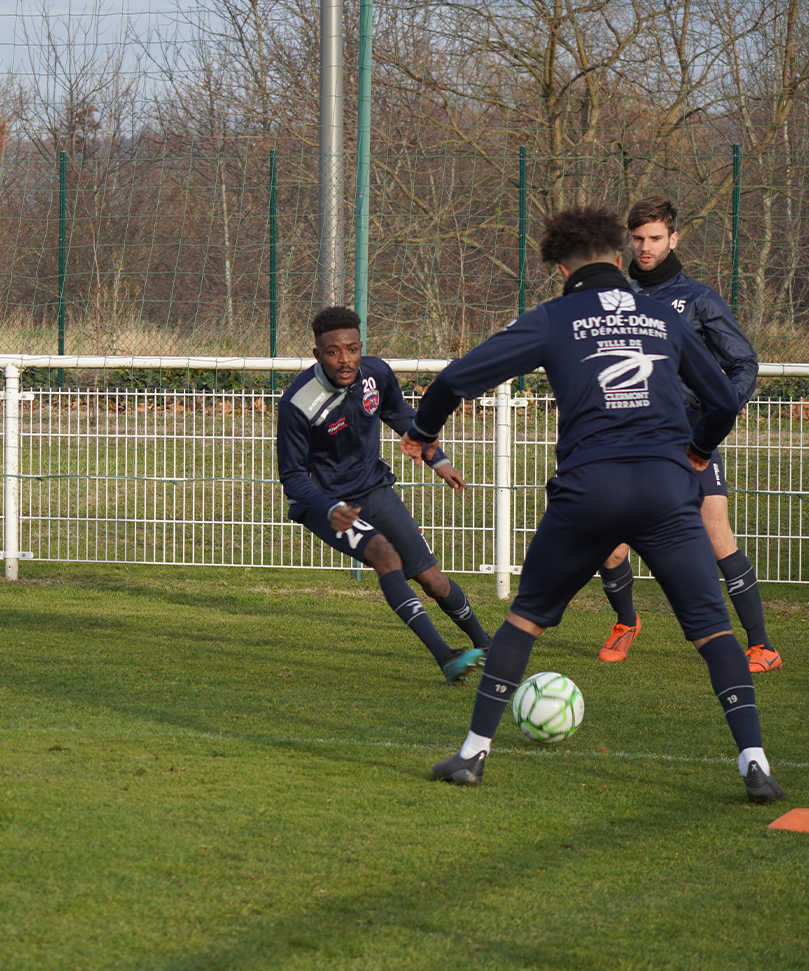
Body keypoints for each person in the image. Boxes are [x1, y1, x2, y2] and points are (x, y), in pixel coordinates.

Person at [403, 205, 783, 803]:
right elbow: (723, 398)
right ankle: (755, 764)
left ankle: (473, 754)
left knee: (526, 618)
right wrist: (699, 451)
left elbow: (454, 380)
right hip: (665, 488)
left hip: (589, 490)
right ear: (619, 253)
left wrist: (424, 434)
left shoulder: (554, 317)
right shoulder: (662, 316)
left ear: (560, 267)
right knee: (711, 631)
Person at [593, 196, 779, 673]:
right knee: (608, 541)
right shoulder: (619, 299)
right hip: (629, 438)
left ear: (673, 239)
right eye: (637, 239)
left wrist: (717, 418)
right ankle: (627, 621)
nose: (645, 247)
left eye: (655, 238)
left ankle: (762, 646)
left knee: (717, 538)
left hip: (689, 440)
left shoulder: (698, 299)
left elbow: (743, 362)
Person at [277, 306, 490, 682]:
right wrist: (328, 508)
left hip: (374, 487)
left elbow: (400, 414)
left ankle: (489, 648)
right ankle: (446, 658)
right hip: (324, 503)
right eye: (333, 352)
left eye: (352, 349)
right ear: (317, 354)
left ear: (361, 347)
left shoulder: (376, 373)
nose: (345, 360)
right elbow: (292, 476)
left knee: (433, 581)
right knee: (383, 554)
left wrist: (436, 459)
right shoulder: (298, 404)